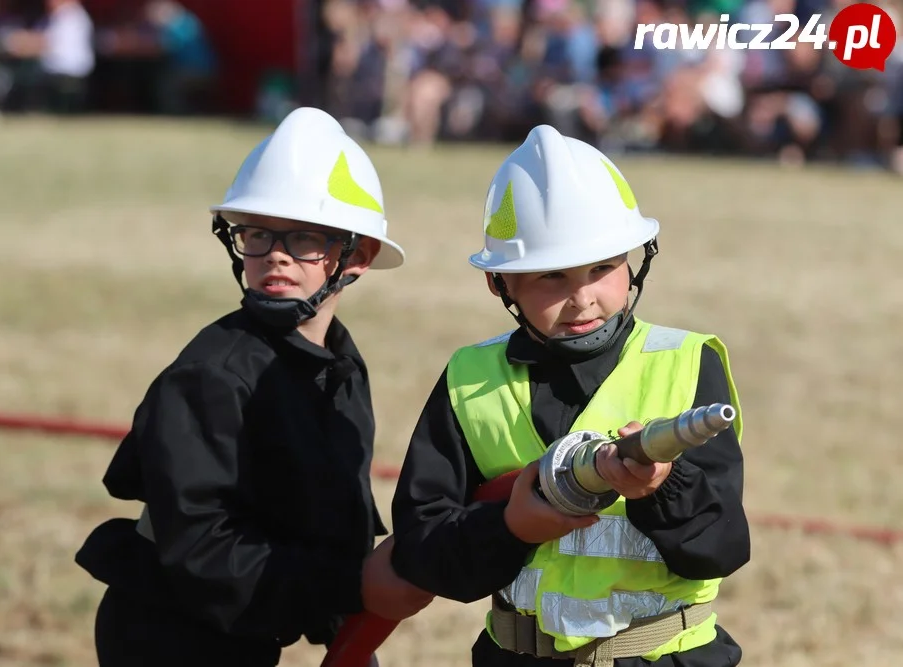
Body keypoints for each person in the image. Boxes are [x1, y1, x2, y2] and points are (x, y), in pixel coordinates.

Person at [75, 107, 430, 667]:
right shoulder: (211, 374)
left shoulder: (339, 366)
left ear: (356, 257)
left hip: (246, 624)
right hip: (167, 634)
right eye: (258, 235)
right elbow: (201, 544)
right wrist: (351, 586)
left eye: (304, 239)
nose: (276, 256)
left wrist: (350, 635)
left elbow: (338, 514)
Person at [384, 125, 751, 667]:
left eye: (603, 268)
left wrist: (665, 488)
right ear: (501, 283)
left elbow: (721, 548)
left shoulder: (687, 364)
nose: (582, 299)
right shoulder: (469, 379)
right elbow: (423, 553)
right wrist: (510, 528)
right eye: (551, 277)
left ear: (635, 260)